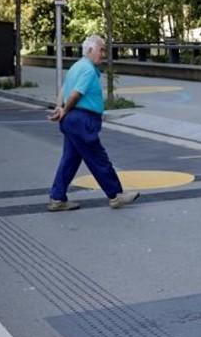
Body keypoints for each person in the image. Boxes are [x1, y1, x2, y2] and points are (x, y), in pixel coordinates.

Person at [46, 34, 139, 211]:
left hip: (72, 120)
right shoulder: (87, 70)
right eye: (101, 50)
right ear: (90, 50)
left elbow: (64, 89)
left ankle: (57, 198)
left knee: (70, 160)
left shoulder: (76, 67)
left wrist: (60, 108)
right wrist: (64, 110)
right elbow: (76, 94)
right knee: (98, 158)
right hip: (82, 120)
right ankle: (116, 195)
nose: (103, 54)